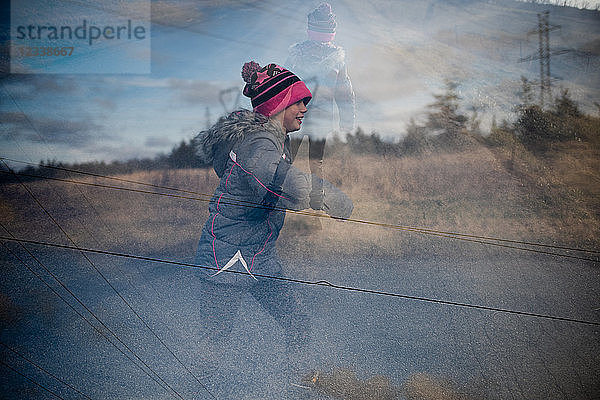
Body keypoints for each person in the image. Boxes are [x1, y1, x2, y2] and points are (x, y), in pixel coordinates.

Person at [192, 61, 353, 391]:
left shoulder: (272, 139)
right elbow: (273, 178)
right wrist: (326, 195)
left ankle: (291, 383)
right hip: (228, 256)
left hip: (257, 255)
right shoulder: (259, 143)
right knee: (213, 343)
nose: (304, 108)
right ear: (280, 103)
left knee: (296, 321)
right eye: (298, 101)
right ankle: (196, 391)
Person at [285, 2, 356, 215]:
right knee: (303, 158)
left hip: (302, 114)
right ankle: (309, 198)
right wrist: (346, 120)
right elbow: (345, 92)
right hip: (303, 115)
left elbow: (284, 83)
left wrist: (346, 120)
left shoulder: (299, 53)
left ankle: (303, 198)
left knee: (294, 157)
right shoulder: (335, 59)